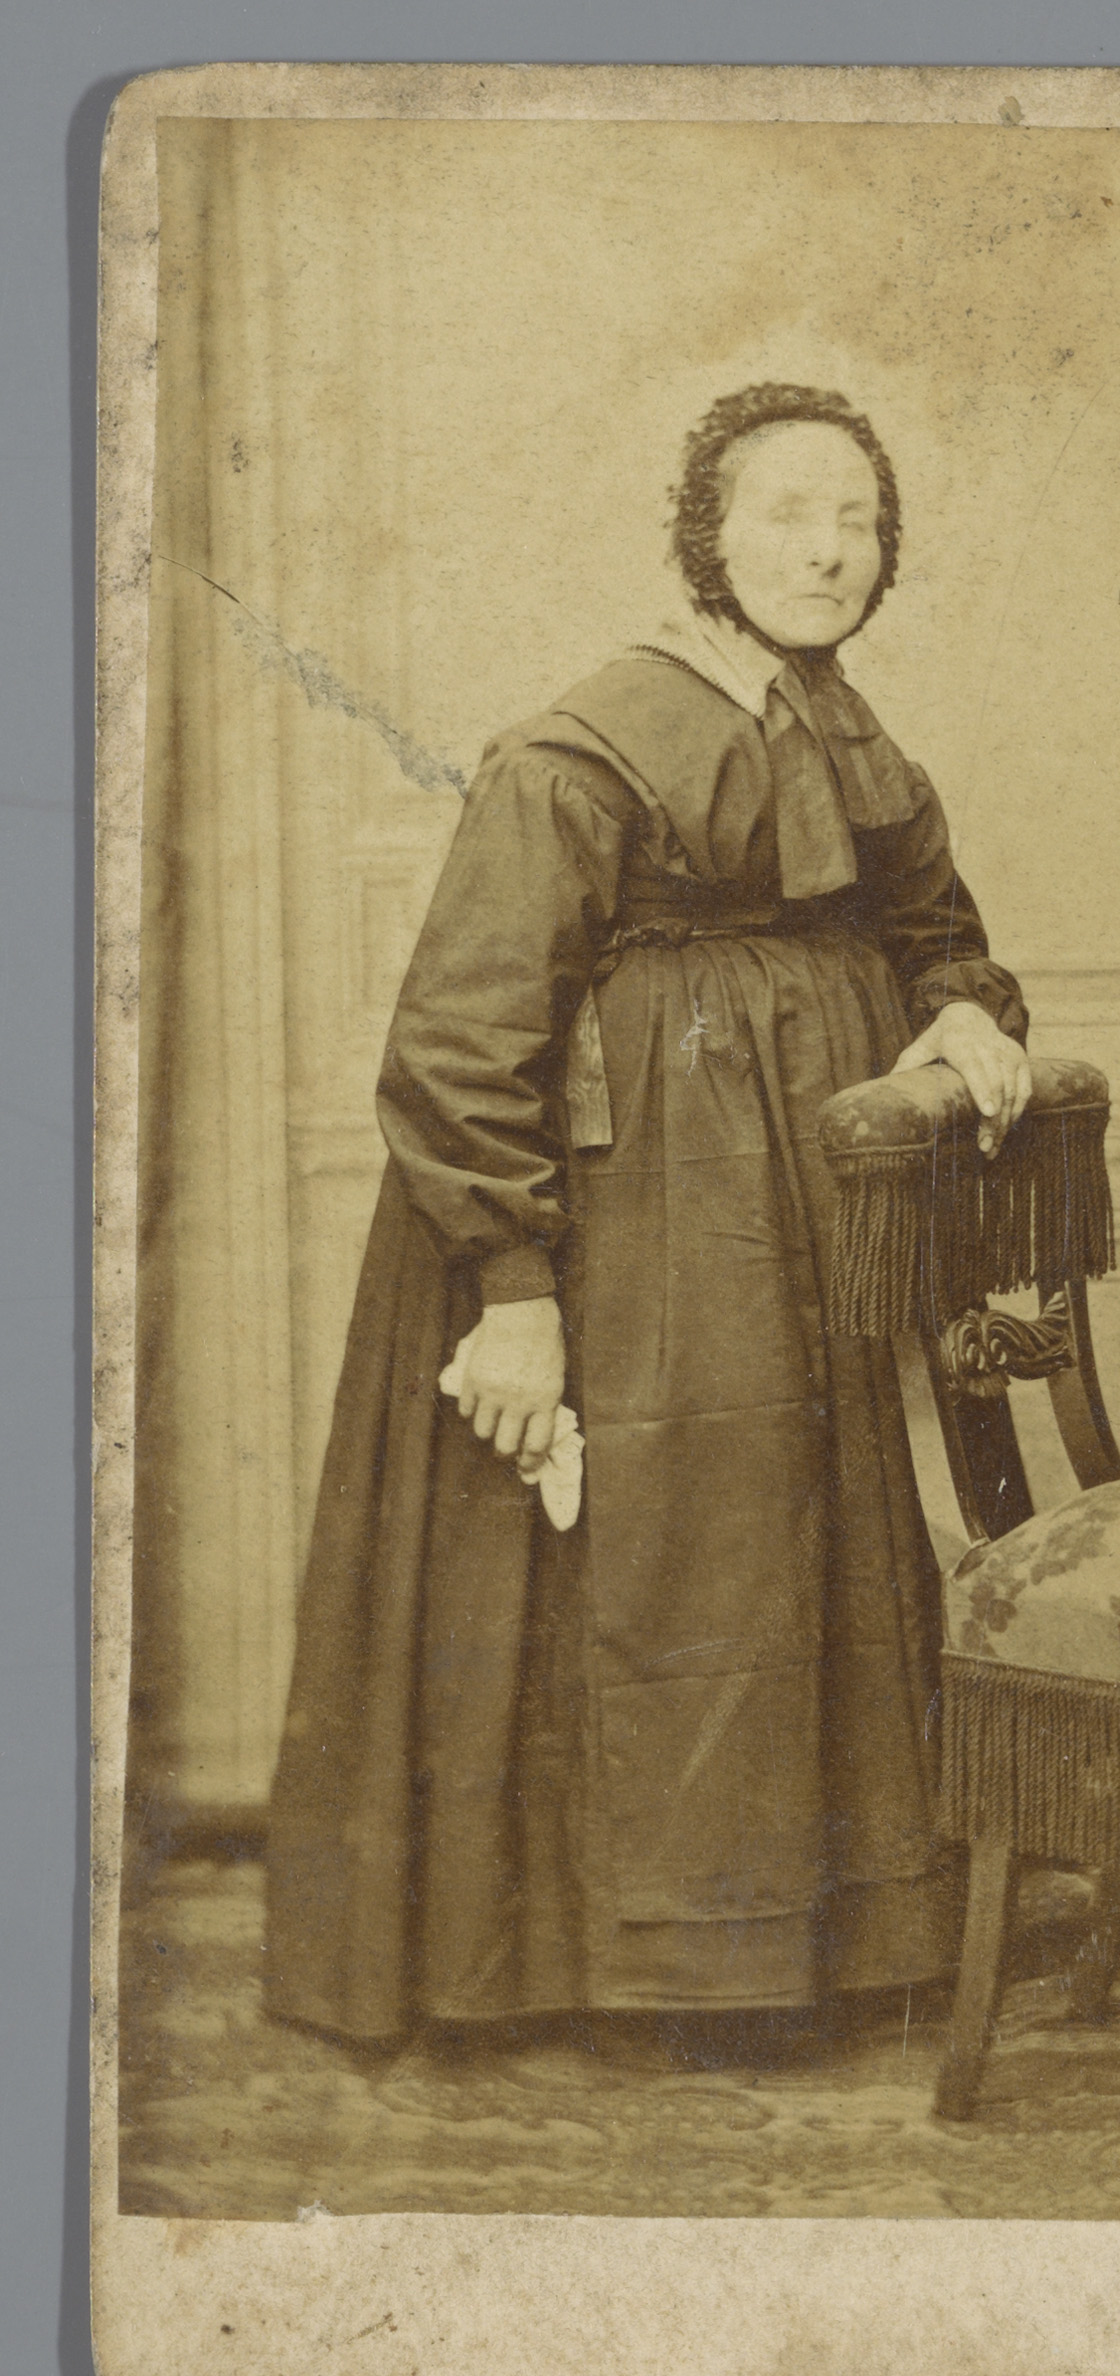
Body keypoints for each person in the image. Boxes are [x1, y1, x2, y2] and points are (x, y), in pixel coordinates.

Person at [265, 382, 1032, 2040]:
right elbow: (459, 1039)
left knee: (794, 1556)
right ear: (708, 540)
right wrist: (512, 1287)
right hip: (628, 1226)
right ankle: (591, 1962)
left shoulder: (845, 732)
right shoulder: (583, 749)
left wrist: (966, 1012)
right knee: (659, 1566)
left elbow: (935, 928)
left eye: (859, 521)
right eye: (788, 517)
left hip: (806, 1224)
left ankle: (818, 1945)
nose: (828, 553)